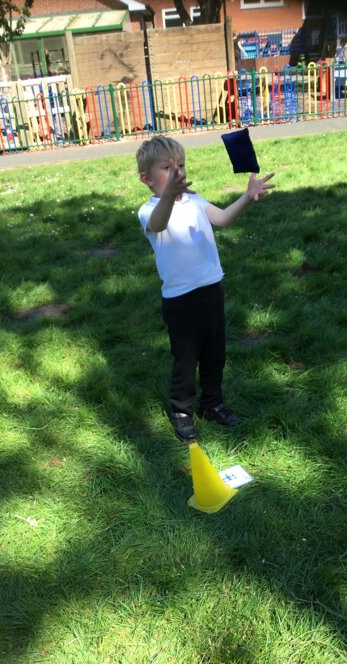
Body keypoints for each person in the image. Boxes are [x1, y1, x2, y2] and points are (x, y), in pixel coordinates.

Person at [137, 136, 275, 442]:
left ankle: (212, 404)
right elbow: (159, 224)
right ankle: (181, 411)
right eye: (167, 167)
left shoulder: (195, 201)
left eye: (181, 164)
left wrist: (246, 197)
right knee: (186, 359)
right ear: (147, 179)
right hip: (180, 301)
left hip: (211, 290)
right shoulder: (149, 211)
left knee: (215, 354)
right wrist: (168, 196)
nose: (178, 171)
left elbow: (223, 219)